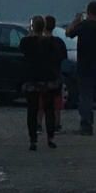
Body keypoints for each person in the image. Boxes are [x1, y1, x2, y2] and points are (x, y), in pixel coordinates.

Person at [66, 1, 96, 136]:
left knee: (86, 97)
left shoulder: (82, 26)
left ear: (88, 11)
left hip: (84, 66)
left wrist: (76, 20)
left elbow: (68, 33)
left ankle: (86, 126)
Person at [19, 16, 65, 151]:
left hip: (32, 79)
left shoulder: (26, 42)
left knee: (32, 110)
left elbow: (22, 52)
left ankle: (33, 139)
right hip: (49, 79)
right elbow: (60, 58)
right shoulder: (53, 42)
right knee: (49, 109)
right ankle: (50, 137)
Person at [41, 15, 67, 133]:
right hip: (55, 74)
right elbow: (63, 58)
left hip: (41, 75)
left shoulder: (39, 42)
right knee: (56, 102)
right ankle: (56, 125)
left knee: (40, 101)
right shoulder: (59, 42)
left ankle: (38, 124)